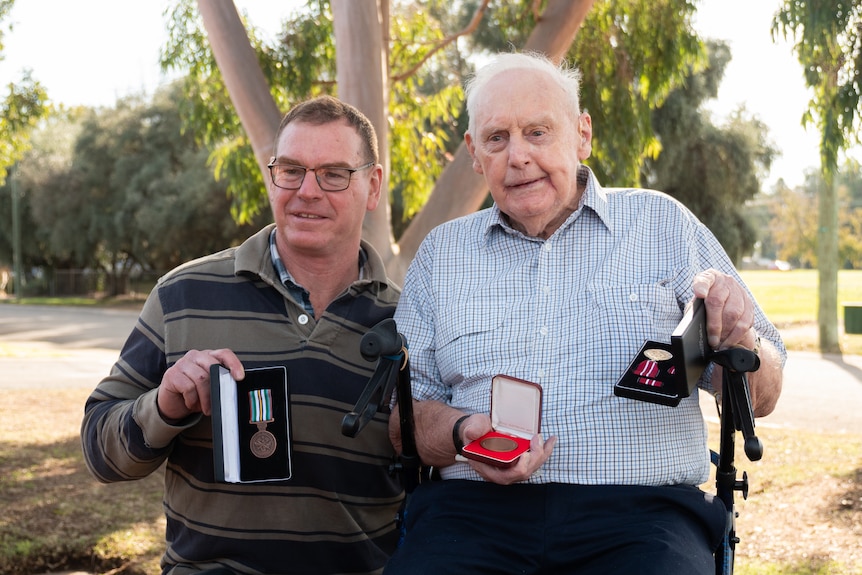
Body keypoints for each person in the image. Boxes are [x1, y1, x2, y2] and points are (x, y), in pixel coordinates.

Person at [384, 52, 786, 574]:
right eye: (497, 138)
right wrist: (464, 433)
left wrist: (739, 335)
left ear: (582, 135)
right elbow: (404, 420)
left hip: (645, 520)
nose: (518, 156)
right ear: (474, 154)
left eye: (537, 131)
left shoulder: (663, 226)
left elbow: (764, 394)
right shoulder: (442, 255)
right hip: (472, 518)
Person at [81, 95, 403, 575]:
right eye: (291, 169)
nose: (307, 191)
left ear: (372, 185)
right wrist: (165, 406)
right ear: (271, 175)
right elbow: (100, 452)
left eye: (333, 174)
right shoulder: (183, 294)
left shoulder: (410, 320)